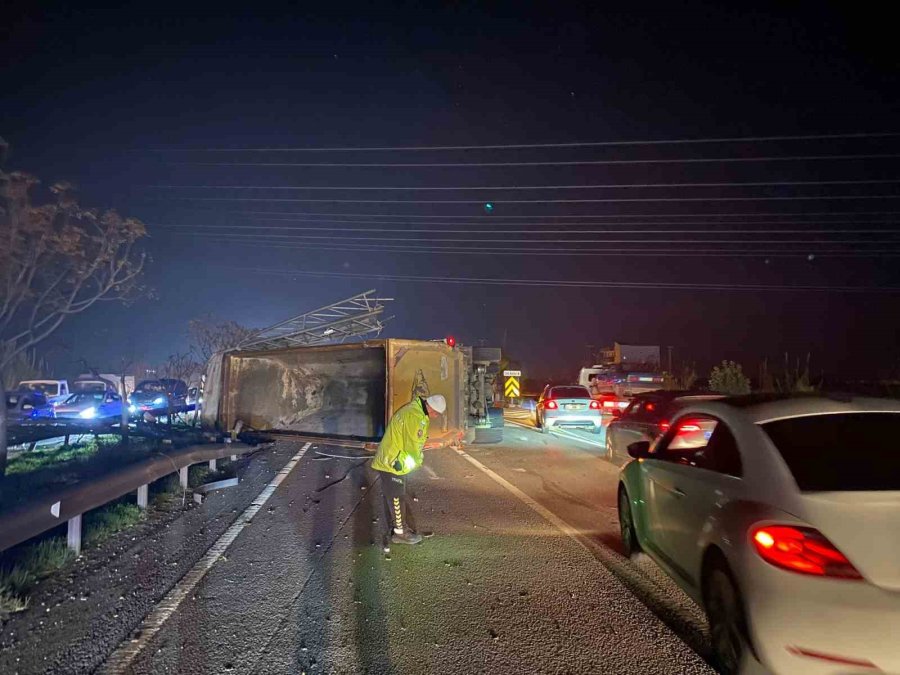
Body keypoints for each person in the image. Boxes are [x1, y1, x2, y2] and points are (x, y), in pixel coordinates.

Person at [371, 393, 446, 547]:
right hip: (393, 462)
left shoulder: (414, 410)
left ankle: (399, 527)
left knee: (397, 495)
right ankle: (400, 533)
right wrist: (418, 461)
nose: (435, 416)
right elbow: (413, 447)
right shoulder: (416, 417)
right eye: (435, 413)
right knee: (396, 497)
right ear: (430, 408)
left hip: (393, 458)